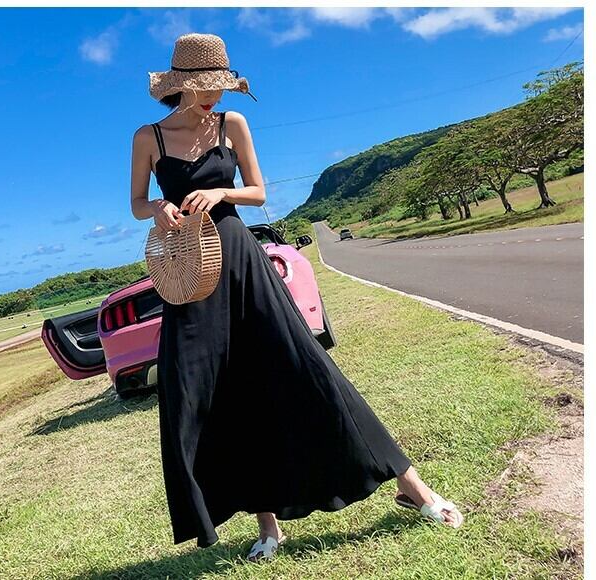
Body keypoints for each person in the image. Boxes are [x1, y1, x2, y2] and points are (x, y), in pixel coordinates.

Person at [130, 33, 463, 562]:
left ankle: (411, 486)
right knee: (213, 390)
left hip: (241, 261)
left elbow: (258, 192)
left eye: (221, 86)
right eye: (207, 87)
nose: (216, 96)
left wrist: (221, 191)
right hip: (189, 274)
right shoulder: (148, 137)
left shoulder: (231, 124)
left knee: (306, 366)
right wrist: (159, 208)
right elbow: (136, 203)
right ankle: (267, 527)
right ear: (182, 85)